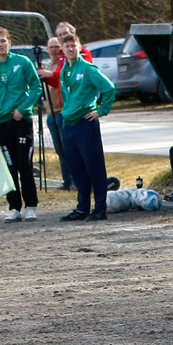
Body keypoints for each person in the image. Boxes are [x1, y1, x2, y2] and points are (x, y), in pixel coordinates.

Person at [0, 26, 42, 223]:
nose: (0, 44)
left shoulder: (23, 62)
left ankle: (31, 205)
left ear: (9, 42)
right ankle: (14, 207)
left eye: (3, 41)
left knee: (24, 163)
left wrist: (22, 108)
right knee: (9, 166)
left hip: (22, 121)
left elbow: (36, 87)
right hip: (1, 123)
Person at [57, 32, 116, 222]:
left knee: (94, 166)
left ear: (80, 47)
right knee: (77, 168)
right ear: (62, 49)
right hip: (69, 124)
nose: (71, 49)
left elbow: (108, 88)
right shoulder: (65, 71)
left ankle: (100, 207)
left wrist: (101, 110)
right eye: (67, 46)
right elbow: (66, 97)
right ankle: (82, 207)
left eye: (73, 45)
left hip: (85, 122)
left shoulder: (88, 69)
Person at [42, 36, 72, 190]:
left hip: (61, 112)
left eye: (56, 46)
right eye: (51, 47)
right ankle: (66, 180)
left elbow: (61, 78)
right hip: (50, 113)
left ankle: (74, 180)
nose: (54, 49)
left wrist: (48, 75)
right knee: (59, 150)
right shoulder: (48, 64)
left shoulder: (63, 63)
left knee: (68, 148)